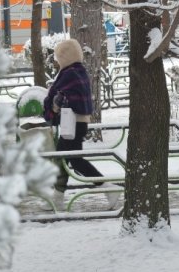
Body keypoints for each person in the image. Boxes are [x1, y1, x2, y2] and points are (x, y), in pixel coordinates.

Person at [42, 39, 120, 211]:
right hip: (76, 123)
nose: (57, 60)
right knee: (63, 159)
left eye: (58, 57)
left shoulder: (69, 74)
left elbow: (60, 97)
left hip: (74, 124)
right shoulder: (79, 71)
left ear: (65, 57)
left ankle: (109, 188)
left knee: (74, 161)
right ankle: (58, 198)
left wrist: (54, 105)